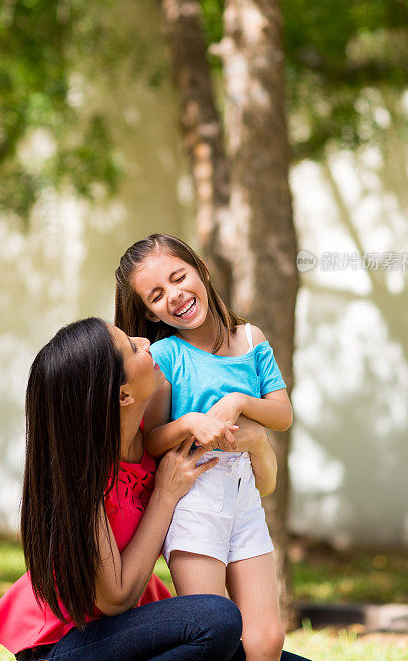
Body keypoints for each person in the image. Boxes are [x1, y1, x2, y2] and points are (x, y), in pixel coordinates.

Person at [0, 317, 283, 661]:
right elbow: (116, 597)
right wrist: (165, 496)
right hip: (67, 642)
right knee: (217, 619)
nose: (147, 342)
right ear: (123, 394)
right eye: (132, 347)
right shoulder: (83, 474)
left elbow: (264, 486)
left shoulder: (155, 437)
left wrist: (258, 440)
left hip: (127, 633)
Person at [115, 234, 294, 661]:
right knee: (214, 635)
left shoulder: (251, 339)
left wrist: (239, 402)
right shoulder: (164, 355)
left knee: (266, 638)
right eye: (156, 295)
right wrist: (190, 423)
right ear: (147, 311)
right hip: (194, 499)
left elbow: (282, 414)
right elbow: (152, 440)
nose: (174, 296)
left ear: (203, 270)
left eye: (179, 277)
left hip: (244, 498)